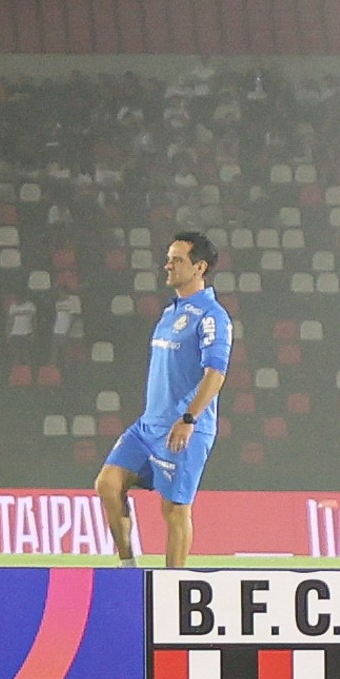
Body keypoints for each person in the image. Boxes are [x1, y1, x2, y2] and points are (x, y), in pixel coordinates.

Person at [96, 231, 231, 569]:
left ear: (199, 267)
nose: (168, 265)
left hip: (182, 428)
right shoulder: (171, 312)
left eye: (177, 260)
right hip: (148, 426)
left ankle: (173, 585)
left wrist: (189, 419)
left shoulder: (212, 316)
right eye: (169, 258)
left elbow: (215, 374)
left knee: (174, 510)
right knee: (108, 484)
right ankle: (128, 568)